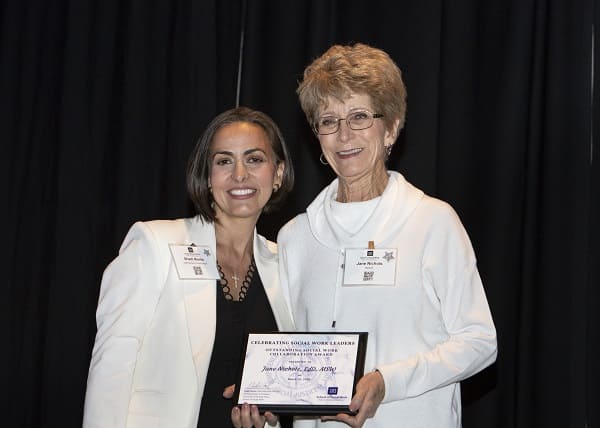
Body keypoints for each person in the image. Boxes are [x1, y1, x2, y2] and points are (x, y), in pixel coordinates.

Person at [277, 43, 497, 427]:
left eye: (359, 116)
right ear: (318, 136)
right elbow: (289, 357)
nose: (344, 134)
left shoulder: (432, 222)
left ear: (391, 127)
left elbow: (479, 341)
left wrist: (387, 381)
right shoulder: (296, 237)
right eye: (328, 120)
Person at [83, 106, 295, 427]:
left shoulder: (284, 265)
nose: (240, 174)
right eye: (224, 161)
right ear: (207, 177)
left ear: (277, 173)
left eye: (254, 159)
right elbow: (111, 368)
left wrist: (266, 417)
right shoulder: (156, 243)